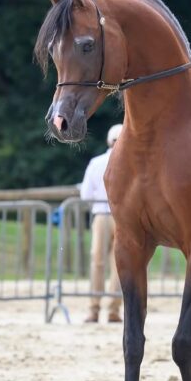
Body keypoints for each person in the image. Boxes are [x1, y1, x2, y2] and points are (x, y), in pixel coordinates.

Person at [80, 123, 123, 324]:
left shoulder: (96, 162)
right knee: (120, 265)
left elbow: (86, 194)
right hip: (123, 217)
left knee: (97, 263)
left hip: (102, 214)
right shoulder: (133, 161)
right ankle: (113, 309)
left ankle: (93, 308)